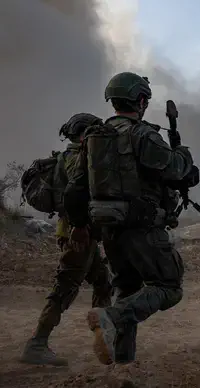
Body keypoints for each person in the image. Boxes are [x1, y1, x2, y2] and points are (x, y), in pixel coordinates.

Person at [63, 71, 198, 365]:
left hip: (109, 227)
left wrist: (78, 225)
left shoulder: (95, 137)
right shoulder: (142, 134)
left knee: (128, 289)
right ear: (140, 100)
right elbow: (176, 170)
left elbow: (75, 188)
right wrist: (183, 152)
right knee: (169, 287)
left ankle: (123, 361)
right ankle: (110, 317)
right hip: (142, 225)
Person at [19, 113, 113, 366]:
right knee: (65, 287)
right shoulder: (76, 158)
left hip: (83, 233)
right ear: (86, 133)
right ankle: (37, 343)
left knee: (103, 282)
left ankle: (104, 335)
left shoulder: (71, 156)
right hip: (77, 233)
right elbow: (77, 194)